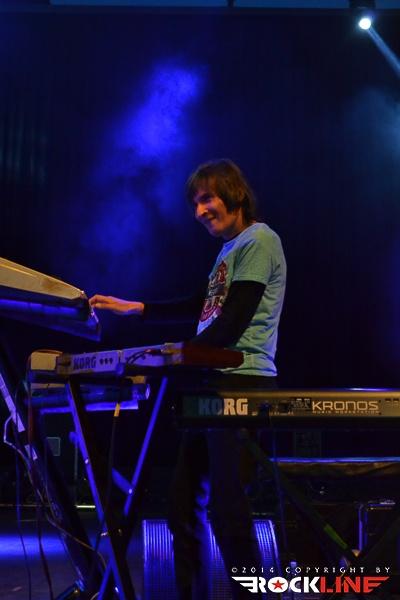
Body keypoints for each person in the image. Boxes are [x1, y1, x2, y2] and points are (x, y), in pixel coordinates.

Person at [90, 159, 286, 599]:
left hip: (241, 383)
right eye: (196, 203)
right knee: (181, 507)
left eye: (207, 199)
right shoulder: (229, 249)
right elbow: (201, 305)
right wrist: (136, 309)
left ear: (235, 193)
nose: (199, 211)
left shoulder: (260, 240)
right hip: (211, 383)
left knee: (228, 509)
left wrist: (176, 355)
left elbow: (231, 324)